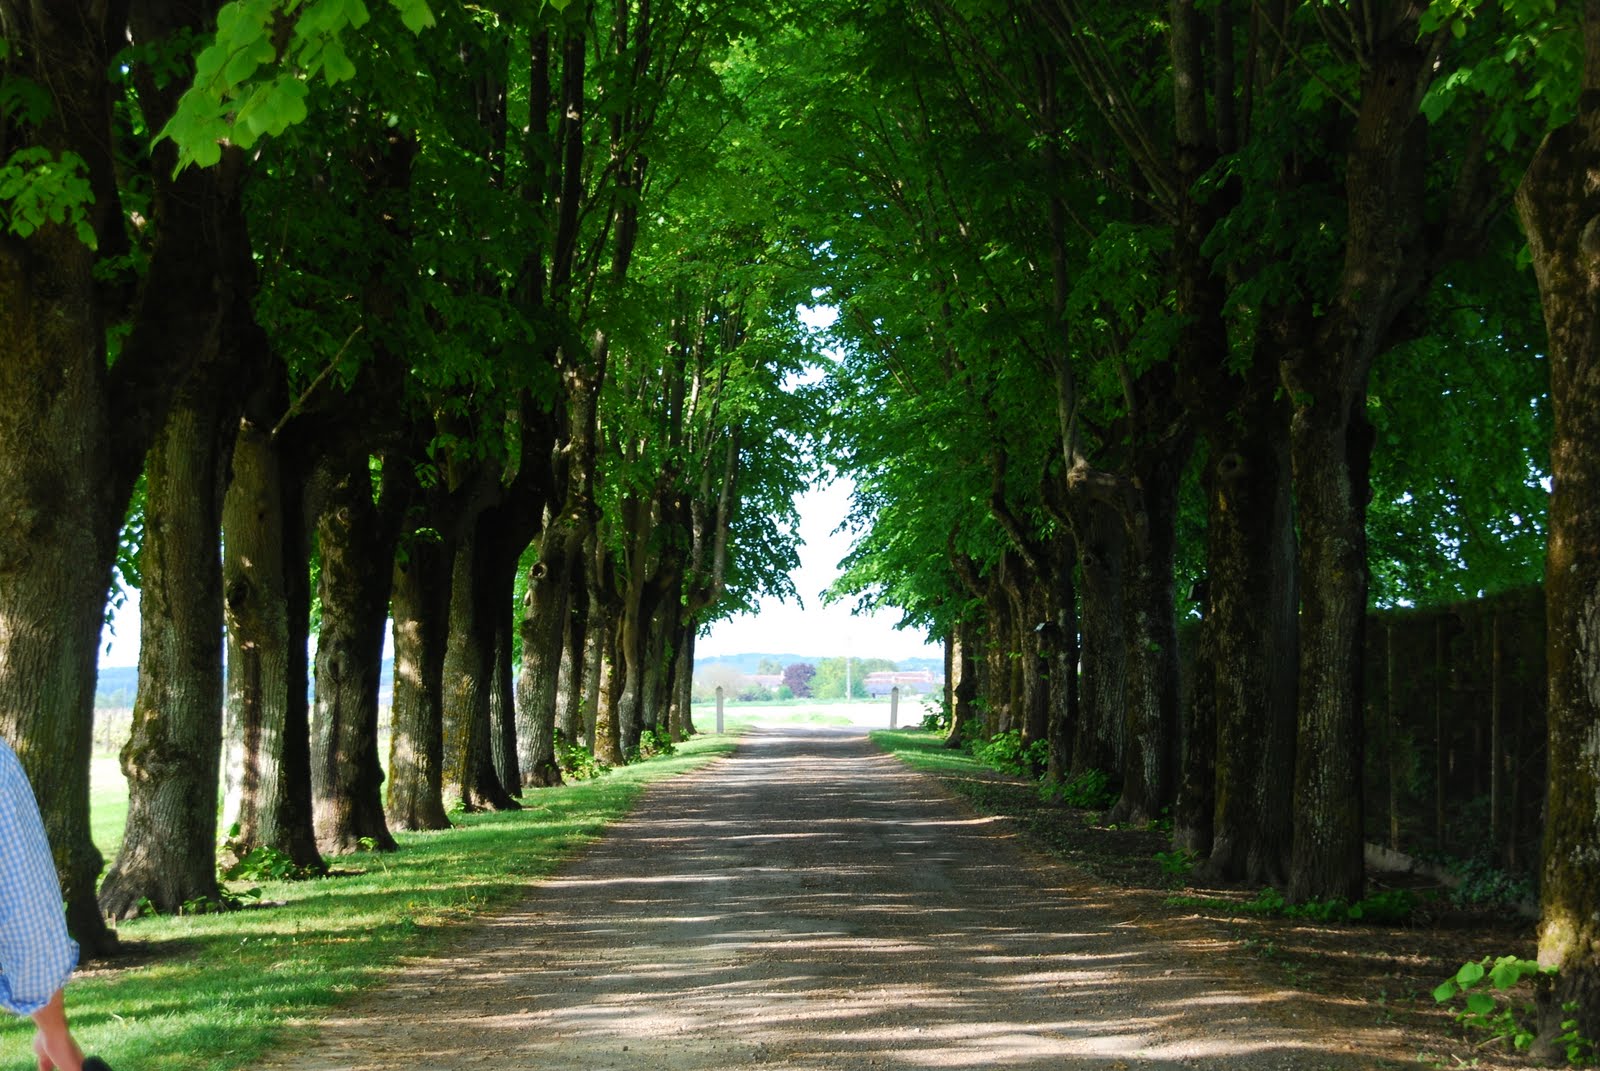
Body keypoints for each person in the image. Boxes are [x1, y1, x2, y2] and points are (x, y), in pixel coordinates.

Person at [0, 733, 103, 1071]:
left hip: (30, 933)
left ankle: (54, 1042)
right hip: (31, 934)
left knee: (54, 1031)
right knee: (53, 1032)